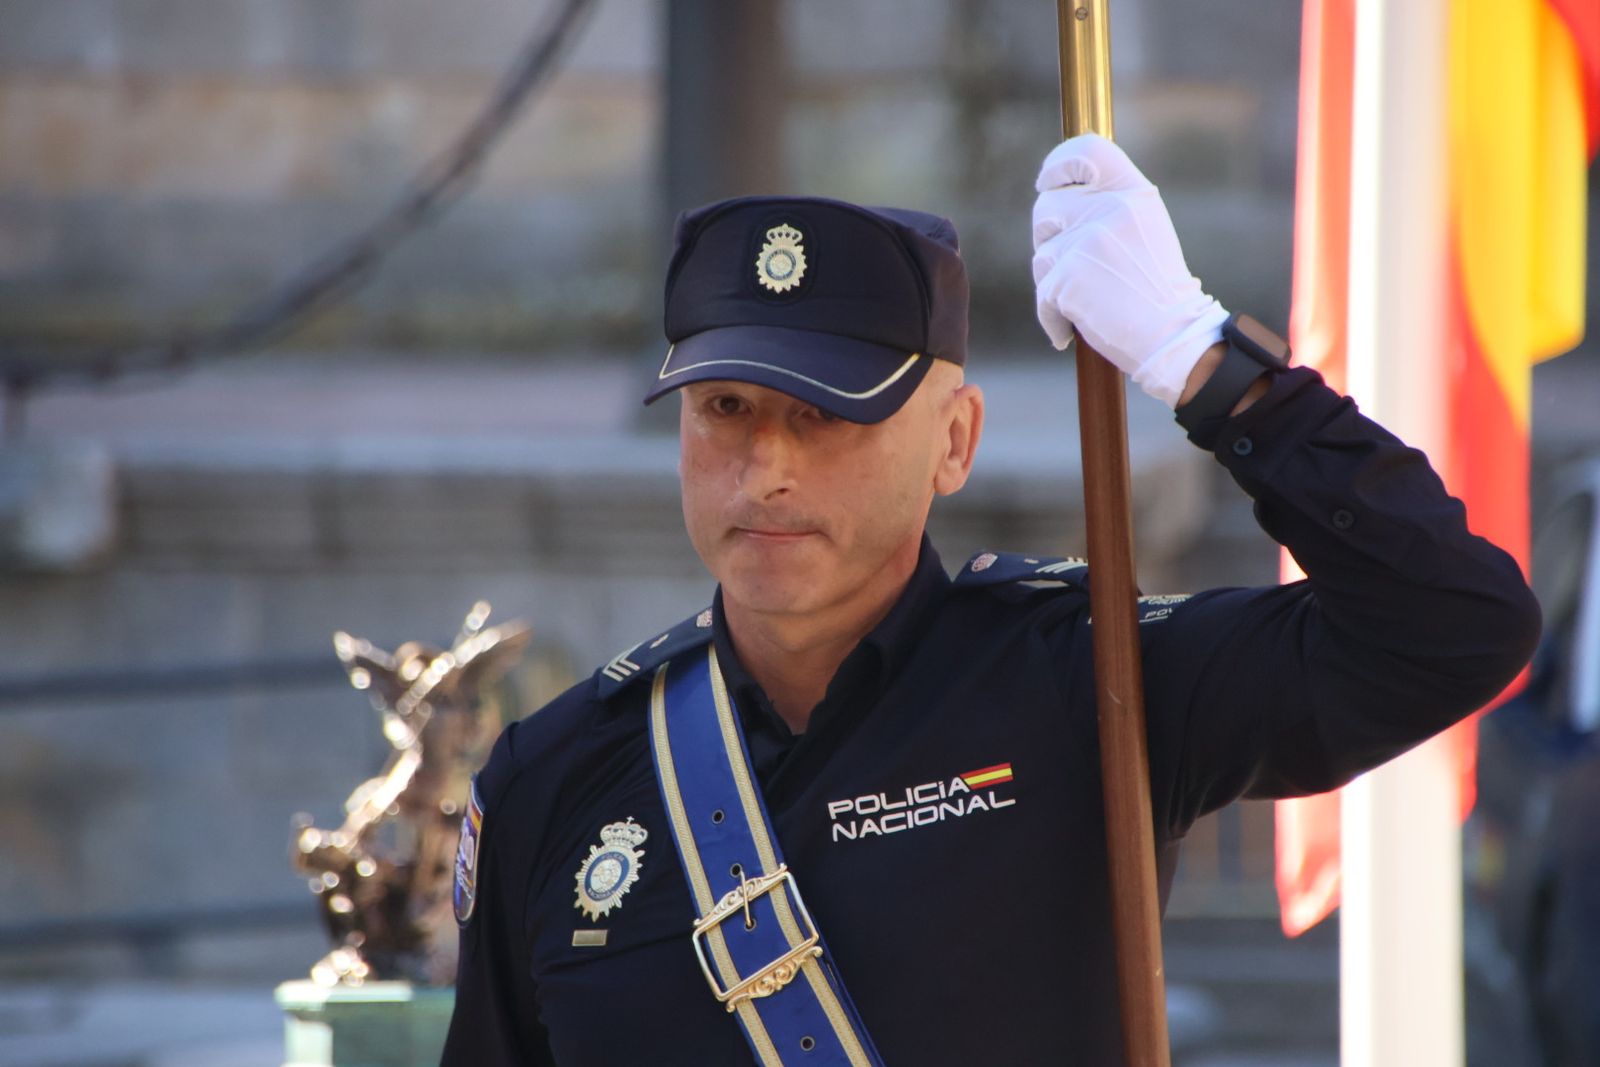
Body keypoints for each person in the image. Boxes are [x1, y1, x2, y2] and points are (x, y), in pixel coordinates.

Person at [440, 135, 1540, 1065]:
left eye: (826, 414)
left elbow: (1451, 624)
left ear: (953, 441)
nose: (765, 466)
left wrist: (1200, 361)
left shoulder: (1090, 684)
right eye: (724, 407)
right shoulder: (558, 774)